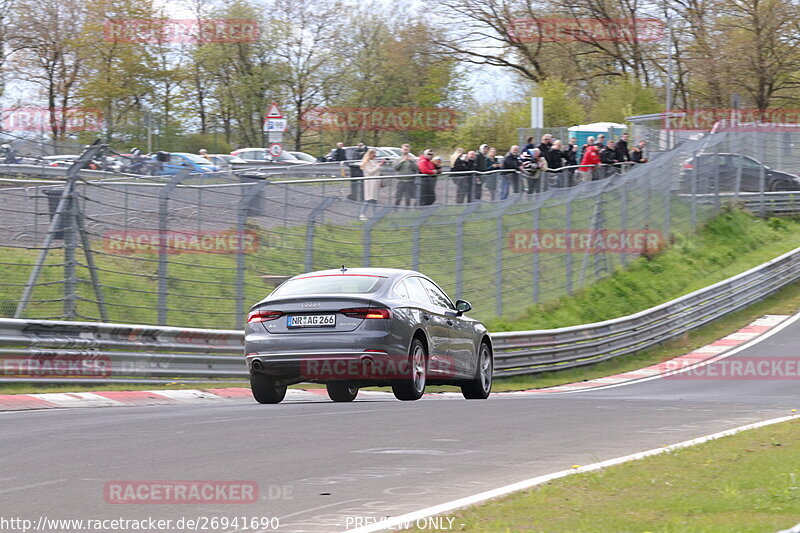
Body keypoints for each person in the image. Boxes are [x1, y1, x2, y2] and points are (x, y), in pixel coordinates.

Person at [358, 148, 384, 220]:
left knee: (374, 200)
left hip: (375, 182)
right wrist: (379, 166)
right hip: (370, 183)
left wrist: (379, 165)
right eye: (374, 155)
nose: (375, 156)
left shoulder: (372, 162)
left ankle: (375, 214)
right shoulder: (365, 163)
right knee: (368, 199)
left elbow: (379, 169)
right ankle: (362, 214)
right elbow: (370, 172)